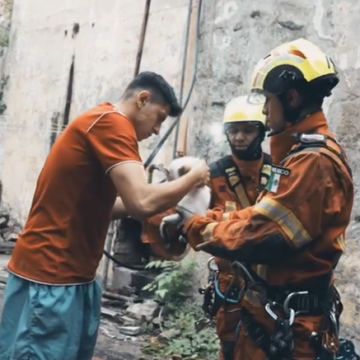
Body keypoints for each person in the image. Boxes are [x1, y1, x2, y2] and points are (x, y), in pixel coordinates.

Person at [0, 71, 210, 360]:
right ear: (142, 99)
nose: (158, 129)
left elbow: (108, 207)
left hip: (75, 278)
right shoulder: (113, 124)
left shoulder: (104, 123)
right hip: (50, 276)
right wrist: (193, 177)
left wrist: (170, 197)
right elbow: (139, 203)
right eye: (159, 117)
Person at [180, 38, 354, 360]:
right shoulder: (296, 156)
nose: (263, 110)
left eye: (268, 100)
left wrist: (196, 227)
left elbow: (263, 234)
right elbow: (257, 215)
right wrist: (211, 220)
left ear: (291, 98)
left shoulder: (312, 162)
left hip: (293, 331)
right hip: (269, 320)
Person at [201, 95, 271, 360]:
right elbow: (196, 219)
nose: (239, 137)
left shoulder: (279, 171)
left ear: (262, 131)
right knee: (229, 348)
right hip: (230, 284)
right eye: (233, 130)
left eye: (248, 130)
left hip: (269, 285)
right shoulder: (213, 175)